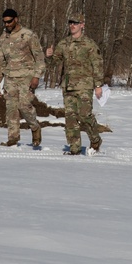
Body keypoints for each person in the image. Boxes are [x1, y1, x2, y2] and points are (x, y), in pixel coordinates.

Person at [46, 12, 104, 156]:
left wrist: (98, 85)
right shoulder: (64, 44)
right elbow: (55, 62)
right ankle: (74, 148)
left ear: (82, 25)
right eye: (70, 22)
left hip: (85, 85)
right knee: (70, 118)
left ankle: (95, 139)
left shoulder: (89, 44)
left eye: (75, 23)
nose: (72, 25)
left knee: (84, 115)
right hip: (68, 86)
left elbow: (97, 64)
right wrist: (48, 56)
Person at [0, 8, 45, 148]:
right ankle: (13, 138)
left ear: (16, 19)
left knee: (24, 106)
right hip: (10, 78)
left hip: (26, 77)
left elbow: (40, 58)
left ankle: (35, 127)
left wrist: (36, 76)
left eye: (9, 21)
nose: (7, 24)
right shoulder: (3, 37)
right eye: (4, 22)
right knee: (11, 109)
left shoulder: (28, 35)